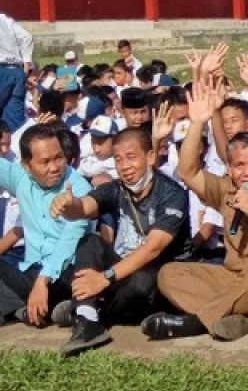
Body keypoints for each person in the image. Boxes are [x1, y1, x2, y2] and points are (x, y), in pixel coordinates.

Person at [146, 77, 248, 341]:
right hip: (232, 275)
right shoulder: (226, 188)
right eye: (240, 166)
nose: (247, 172)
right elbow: (187, 171)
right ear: (230, 168)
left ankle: (196, 322)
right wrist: (197, 123)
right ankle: (241, 316)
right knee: (170, 273)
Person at [48, 127, 190, 330]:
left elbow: (153, 248)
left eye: (131, 157)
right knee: (90, 242)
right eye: (118, 159)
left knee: (142, 282)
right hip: (119, 271)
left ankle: (86, 310)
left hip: (154, 272)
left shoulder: (172, 194)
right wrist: (69, 205)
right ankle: (86, 317)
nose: (125, 166)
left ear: (150, 157)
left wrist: (104, 278)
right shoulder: (115, 189)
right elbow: (85, 206)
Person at [0, 124, 96, 354]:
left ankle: (54, 308)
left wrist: (43, 282)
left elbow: (69, 242)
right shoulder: (19, 178)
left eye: (59, 158)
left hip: (65, 272)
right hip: (32, 272)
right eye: (45, 162)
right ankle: (23, 312)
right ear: (26, 165)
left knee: (73, 276)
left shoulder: (79, 189)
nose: (54, 167)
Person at [0, 13, 32, 133]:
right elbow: (27, 37)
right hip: (16, 71)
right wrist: (26, 65)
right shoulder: (4, 19)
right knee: (14, 124)